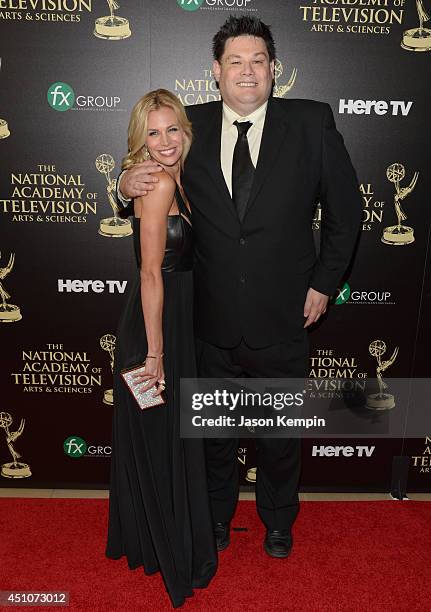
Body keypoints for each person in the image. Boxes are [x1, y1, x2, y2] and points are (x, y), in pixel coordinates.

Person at [117, 16, 363, 559]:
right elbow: (150, 164)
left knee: (280, 437)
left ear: (274, 70)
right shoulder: (191, 127)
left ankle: (279, 518)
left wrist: (324, 284)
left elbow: (347, 213)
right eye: (235, 61)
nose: (246, 71)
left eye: (257, 61)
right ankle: (217, 518)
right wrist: (122, 179)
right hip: (210, 314)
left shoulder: (312, 122)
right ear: (216, 71)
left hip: (285, 313)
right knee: (213, 434)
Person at [105, 89, 217, 608]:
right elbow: (151, 272)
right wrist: (156, 354)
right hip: (157, 326)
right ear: (139, 139)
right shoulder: (158, 183)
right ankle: (168, 547)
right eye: (153, 132)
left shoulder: (175, 180)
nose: (165, 140)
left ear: (186, 132)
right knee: (161, 433)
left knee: (163, 436)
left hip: (174, 321)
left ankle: (151, 540)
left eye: (173, 129)